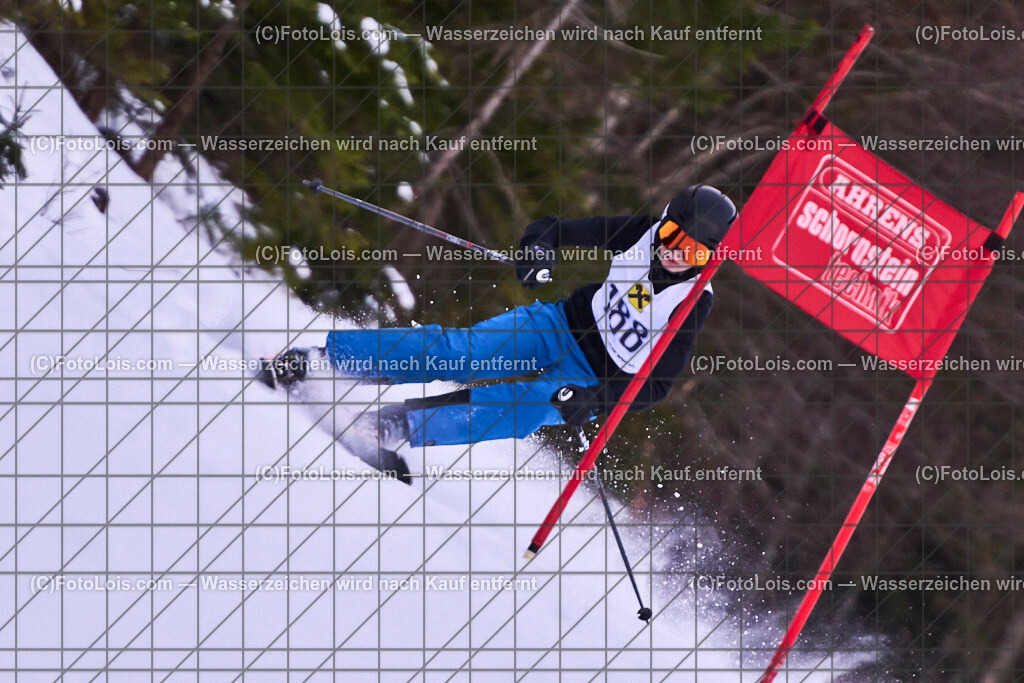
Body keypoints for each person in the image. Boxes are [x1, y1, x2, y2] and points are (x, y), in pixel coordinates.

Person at [259, 185, 737, 483]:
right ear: (663, 222)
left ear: (710, 258)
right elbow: (552, 230)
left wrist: (596, 400)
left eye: (694, 251)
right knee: (461, 353)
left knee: (525, 409)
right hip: (558, 324)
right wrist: (539, 252)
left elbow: (656, 386)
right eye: (672, 236)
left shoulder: (694, 301)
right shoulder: (640, 232)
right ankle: (322, 361)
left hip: (589, 378)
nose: (675, 253)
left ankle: (390, 426)